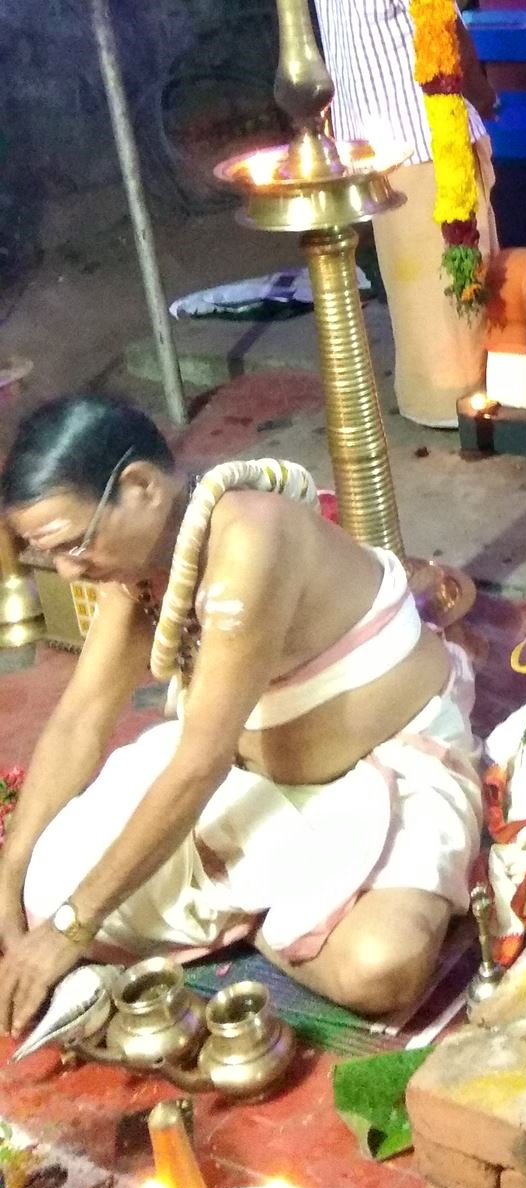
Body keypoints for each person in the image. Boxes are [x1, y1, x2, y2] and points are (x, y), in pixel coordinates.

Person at [0, 395, 482, 1034]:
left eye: (72, 544)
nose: (68, 571)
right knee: (39, 889)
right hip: (248, 788)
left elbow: (198, 762)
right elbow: (79, 721)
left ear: (141, 487)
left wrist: (73, 927)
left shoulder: (250, 543)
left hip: (387, 768)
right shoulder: (140, 572)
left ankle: (260, 918)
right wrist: (9, 867)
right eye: (48, 554)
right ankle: (273, 909)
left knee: (380, 967)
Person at [302, 0, 499, 430]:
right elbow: (433, 15)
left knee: (410, 280)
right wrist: (480, 89)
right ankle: (467, 402)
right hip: (421, 123)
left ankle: (424, 397)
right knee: (454, 274)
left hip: (365, 128)